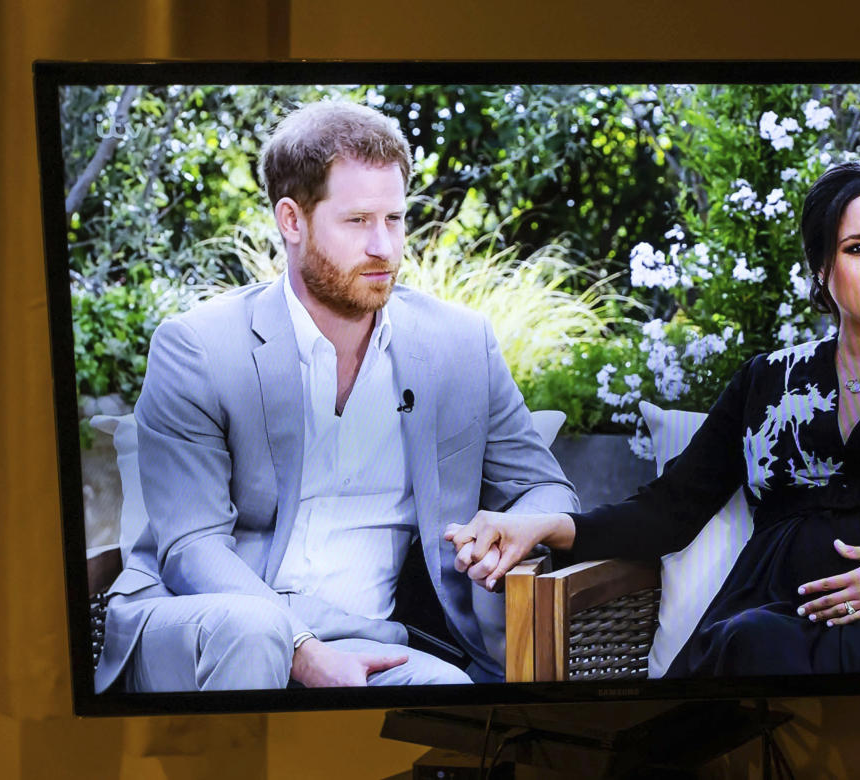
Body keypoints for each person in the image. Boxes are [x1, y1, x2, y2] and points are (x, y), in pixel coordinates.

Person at [445, 157, 860, 676]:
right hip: (768, 615)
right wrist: (541, 525)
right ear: (821, 270)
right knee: (751, 647)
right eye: (858, 248)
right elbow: (667, 513)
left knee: (752, 660)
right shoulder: (767, 381)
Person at [94, 100, 578, 693]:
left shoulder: (461, 345)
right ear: (292, 221)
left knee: (452, 701)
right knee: (254, 633)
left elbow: (547, 486)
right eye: (357, 221)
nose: (384, 246)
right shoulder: (197, 347)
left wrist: (516, 524)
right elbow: (192, 549)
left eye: (395, 219)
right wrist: (300, 647)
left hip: (371, 641)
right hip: (211, 619)